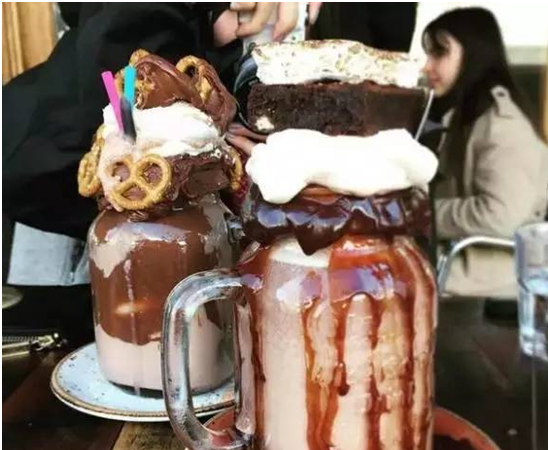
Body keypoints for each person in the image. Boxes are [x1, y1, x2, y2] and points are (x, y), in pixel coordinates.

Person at [422, 7, 548, 298]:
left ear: (473, 53)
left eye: (439, 53)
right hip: (462, 268)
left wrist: (422, 214)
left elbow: (501, 215)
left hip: (491, 283)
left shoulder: (501, 124)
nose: (427, 66)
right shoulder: (468, 116)